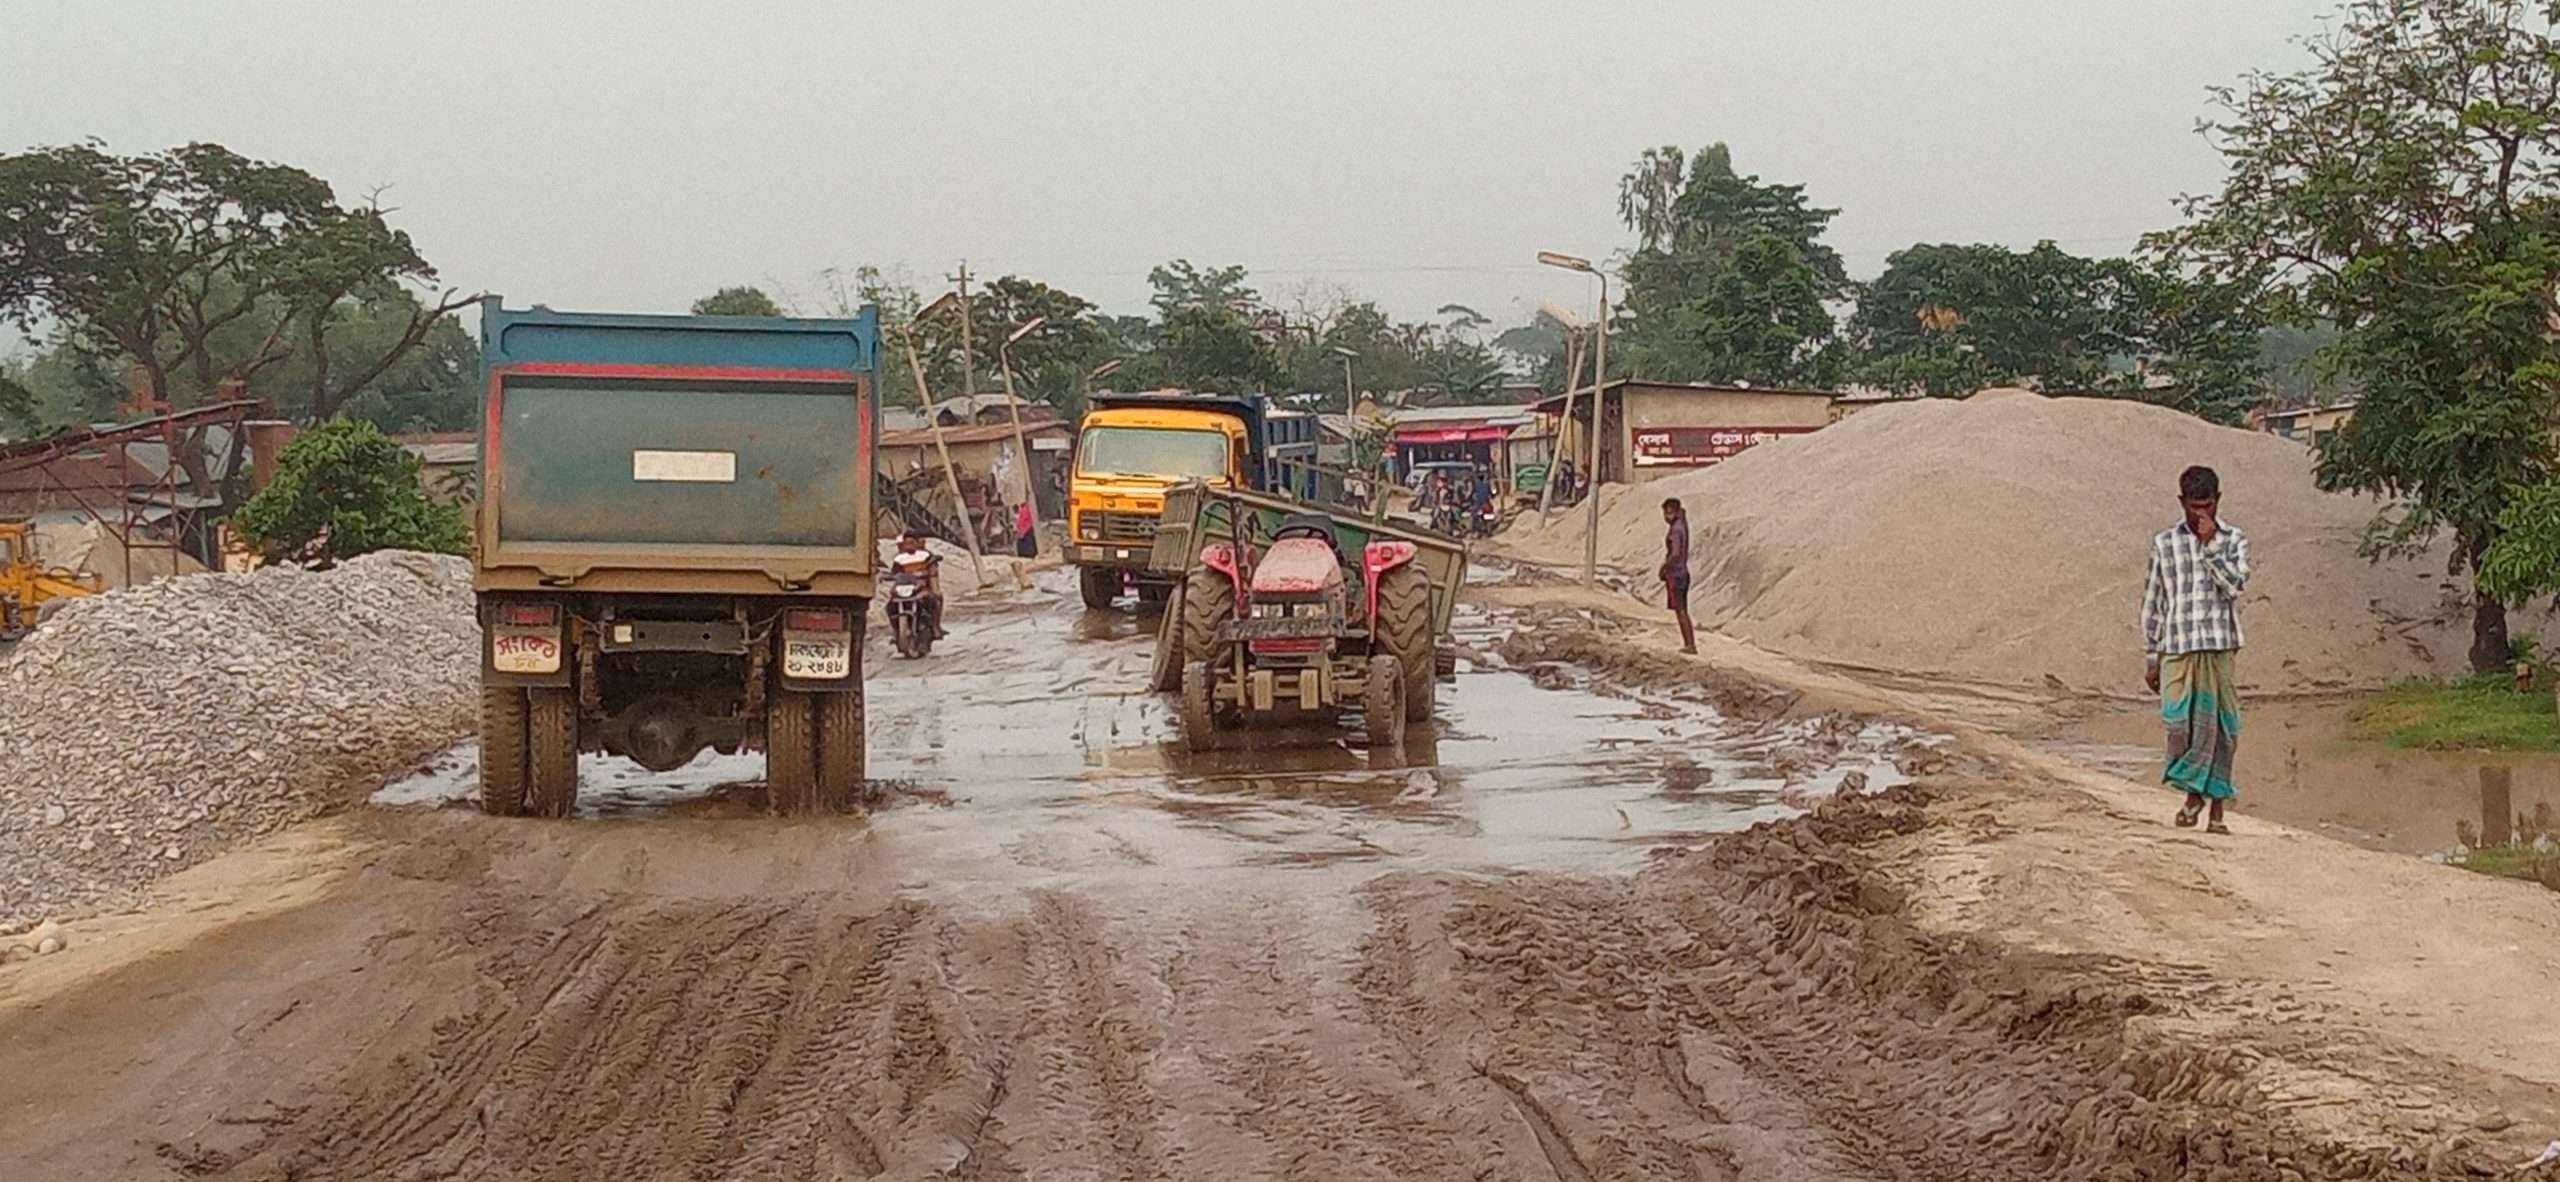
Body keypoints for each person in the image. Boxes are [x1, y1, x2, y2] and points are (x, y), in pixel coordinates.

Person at [2141, 465, 2252, 835]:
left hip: (2219, 645)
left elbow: (2234, 586)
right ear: (2182, 502)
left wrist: (2210, 547)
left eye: (2207, 506)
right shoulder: (2164, 543)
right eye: (2194, 506)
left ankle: (2211, 806)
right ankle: (2192, 790)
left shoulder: (2234, 540)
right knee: (2178, 724)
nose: (2201, 513)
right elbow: (2154, 601)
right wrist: (2152, 655)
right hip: (2178, 645)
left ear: (2218, 500)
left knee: (2221, 728)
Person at [890, 529, 945, 639]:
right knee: (890, 606)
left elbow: (932, 570)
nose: (909, 546)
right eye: (906, 543)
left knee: (935, 600)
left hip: (921, 587)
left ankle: (935, 626)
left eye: (911, 543)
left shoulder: (925, 555)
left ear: (917, 543)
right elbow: (895, 573)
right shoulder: (899, 559)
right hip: (905, 587)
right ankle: (896, 631)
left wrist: (927, 574)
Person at [1661, 497, 1697, 654]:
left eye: (1669, 513)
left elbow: (1675, 554)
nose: (1666, 517)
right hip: (1682, 572)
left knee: (1681, 610)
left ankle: (1690, 644)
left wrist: (1664, 567)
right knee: (1682, 609)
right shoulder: (1682, 525)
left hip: (1677, 574)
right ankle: (1689, 643)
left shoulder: (1676, 530)